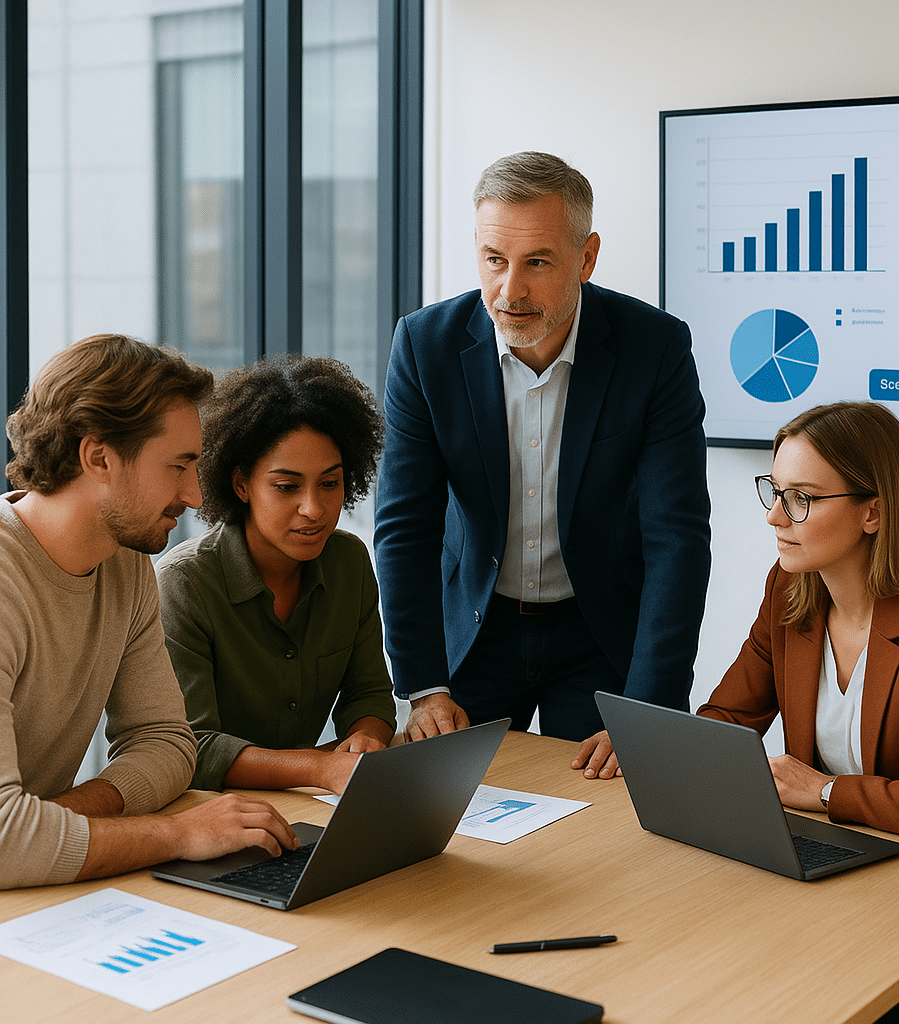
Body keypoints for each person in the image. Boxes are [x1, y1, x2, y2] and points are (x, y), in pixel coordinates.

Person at [374, 151, 711, 779]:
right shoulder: (425, 346)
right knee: (454, 812)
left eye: (537, 262)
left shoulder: (655, 348)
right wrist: (423, 685)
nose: (510, 291)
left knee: (612, 810)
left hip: (599, 633)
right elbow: (404, 527)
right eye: (494, 259)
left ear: (586, 258)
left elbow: (676, 539)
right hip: (473, 632)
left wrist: (648, 708)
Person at [697, 400, 899, 1023]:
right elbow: (727, 721)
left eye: (802, 498)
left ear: (873, 511)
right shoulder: (791, 587)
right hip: (852, 874)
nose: (775, 516)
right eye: (775, 491)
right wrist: (654, 746)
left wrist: (823, 792)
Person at [0, 334, 298, 890]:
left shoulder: (123, 562)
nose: (195, 496)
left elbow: (166, 743)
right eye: (178, 467)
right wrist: (177, 835)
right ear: (99, 458)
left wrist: (56, 821)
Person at [157, 355, 396, 794]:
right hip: (207, 812)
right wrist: (319, 769)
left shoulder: (349, 562)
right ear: (241, 484)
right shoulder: (184, 584)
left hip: (309, 803)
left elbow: (369, 694)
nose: (314, 509)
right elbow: (193, 747)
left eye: (330, 483)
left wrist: (367, 737)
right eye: (287, 487)